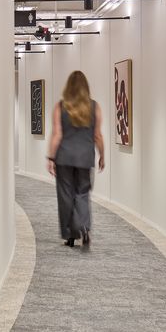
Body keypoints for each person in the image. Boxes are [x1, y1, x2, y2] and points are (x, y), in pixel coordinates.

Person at [46, 70, 105, 247]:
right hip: (85, 158)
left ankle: (70, 236)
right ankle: (84, 228)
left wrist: (51, 158)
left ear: (68, 87)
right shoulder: (94, 107)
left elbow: (57, 134)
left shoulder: (60, 106)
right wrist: (102, 155)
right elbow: (97, 135)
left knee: (66, 195)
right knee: (82, 193)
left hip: (64, 157)